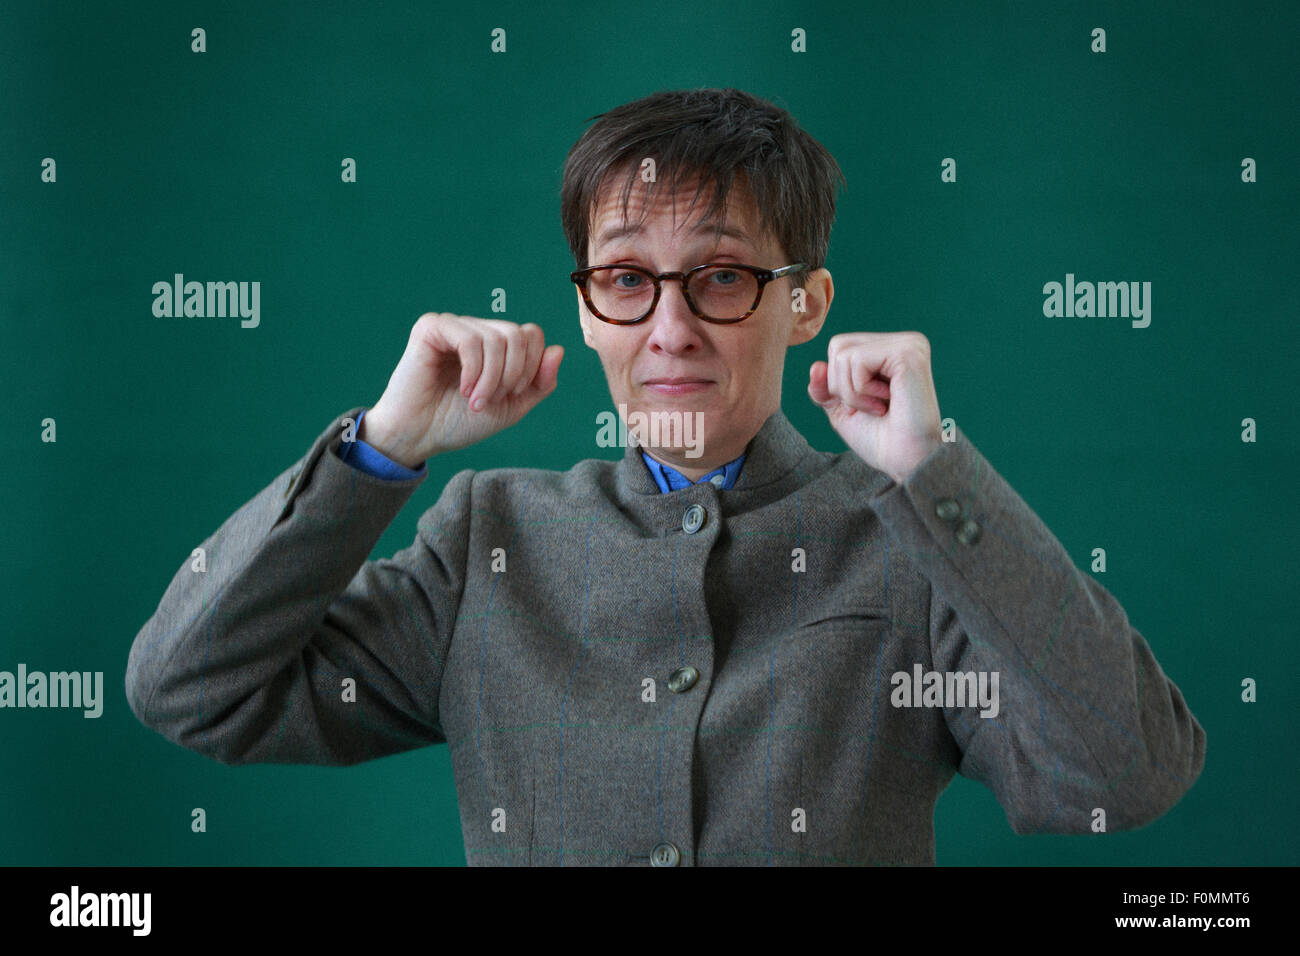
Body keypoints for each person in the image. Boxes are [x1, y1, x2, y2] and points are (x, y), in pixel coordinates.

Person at [126, 87, 1205, 866]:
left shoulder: (907, 542)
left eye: (723, 275)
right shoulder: (485, 538)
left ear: (805, 303)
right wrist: (382, 444)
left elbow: (1125, 775)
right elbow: (191, 686)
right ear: (589, 304)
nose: (670, 330)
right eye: (627, 278)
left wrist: (936, 474)